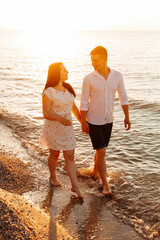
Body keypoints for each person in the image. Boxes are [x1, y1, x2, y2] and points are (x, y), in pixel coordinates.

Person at [80, 46, 131, 196]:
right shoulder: (88, 78)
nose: (93, 64)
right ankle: (105, 185)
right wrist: (83, 121)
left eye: (95, 60)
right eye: (92, 61)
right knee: (101, 152)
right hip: (94, 121)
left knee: (100, 150)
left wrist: (127, 116)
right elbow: (83, 102)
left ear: (105, 59)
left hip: (109, 120)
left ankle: (95, 172)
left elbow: (123, 97)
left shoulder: (117, 76)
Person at [39, 62, 83, 198]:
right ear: (57, 73)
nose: (67, 72)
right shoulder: (48, 92)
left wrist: (83, 122)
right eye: (64, 70)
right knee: (55, 155)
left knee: (70, 157)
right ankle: (53, 176)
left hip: (67, 128)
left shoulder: (68, 88)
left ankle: (75, 187)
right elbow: (46, 112)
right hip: (54, 127)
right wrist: (59, 118)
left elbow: (74, 108)